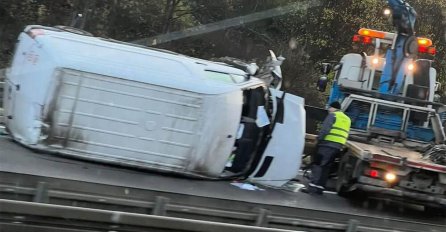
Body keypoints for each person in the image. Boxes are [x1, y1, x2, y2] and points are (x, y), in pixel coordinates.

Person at [301, 101, 351, 195]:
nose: (328, 110)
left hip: (327, 144)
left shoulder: (333, 116)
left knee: (318, 165)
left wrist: (318, 139)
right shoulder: (347, 119)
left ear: (333, 108)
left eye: (329, 108)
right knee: (326, 167)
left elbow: (325, 130)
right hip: (338, 146)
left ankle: (312, 188)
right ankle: (320, 188)